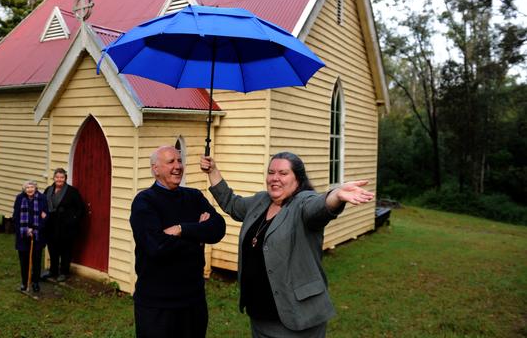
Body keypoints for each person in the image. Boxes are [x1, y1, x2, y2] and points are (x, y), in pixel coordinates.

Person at [200, 152, 374, 338]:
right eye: (271, 172)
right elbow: (232, 203)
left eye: (283, 173)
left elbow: (319, 208)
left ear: (298, 179)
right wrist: (213, 171)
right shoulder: (261, 201)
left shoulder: (302, 203)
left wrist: (336, 196)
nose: (275, 178)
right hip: (260, 314)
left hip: (296, 318)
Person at [130, 145, 226, 338]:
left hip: (193, 301)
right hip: (157, 305)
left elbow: (218, 228)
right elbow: (156, 247)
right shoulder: (144, 202)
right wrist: (198, 236)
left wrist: (182, 229)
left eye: (180, 160)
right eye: (171, 161)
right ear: (155, 169)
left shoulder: (194, 197)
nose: (178, 166)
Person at [44, 168, 85, 282]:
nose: (59, 179)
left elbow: (80, 209)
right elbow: (43, 204)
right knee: (52, 249)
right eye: (57, 177)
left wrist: (73, 221)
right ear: (54, 178)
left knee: (65, 250)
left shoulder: (72, 191)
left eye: (62, 177)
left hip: (66, 227)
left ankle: (64, 272)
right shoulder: (48, 190)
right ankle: (53, 271)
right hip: (51, 226)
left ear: (65, 178)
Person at [12, 180, 48, 293]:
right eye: (27, 187)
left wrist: (37, 228)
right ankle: (24, 282)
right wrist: (26, 230)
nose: (30, 189)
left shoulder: (42, 198)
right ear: (24, 189)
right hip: (23, 236)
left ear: (36, 188)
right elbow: (16, 217)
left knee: (36, 261)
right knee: (24, 261)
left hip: (37, 236)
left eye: (32, 187)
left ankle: (35, 283)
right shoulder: (20, 198)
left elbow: (45, 216)